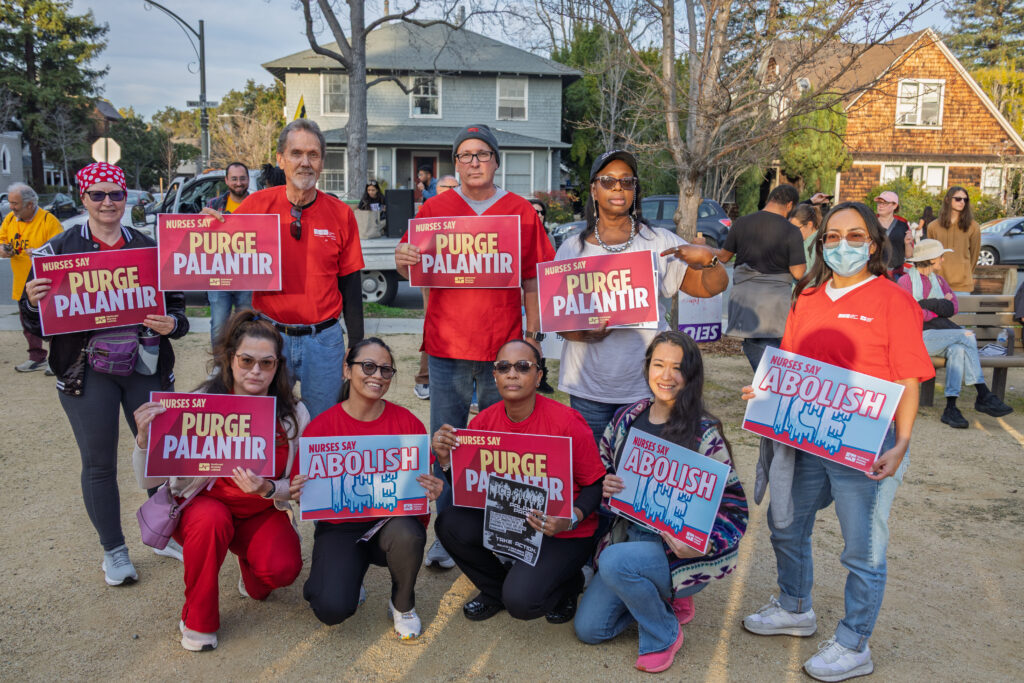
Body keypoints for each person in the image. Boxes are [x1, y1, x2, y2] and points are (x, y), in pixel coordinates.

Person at [740, 202, 934, 682]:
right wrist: (765, 392)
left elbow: (908, 378)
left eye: (854, 235)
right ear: (821, 243)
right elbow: (791, 365)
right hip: (806, 438)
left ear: (873, 244)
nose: (842, 244)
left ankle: (853, 643)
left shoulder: (892, 300)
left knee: (862, 549)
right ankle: (795, 606)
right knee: (786, 525)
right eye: (832, 236)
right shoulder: (806, 297)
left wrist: (901, 442)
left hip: (866, 444)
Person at [20, 162, 189, 586]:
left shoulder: (149, 248)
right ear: (84, 198)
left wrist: (173, 323)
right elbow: (40, 323)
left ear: (125, 198)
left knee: (160, 454)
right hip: (86, 370)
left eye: (115, 194)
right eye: (97, 195)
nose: (108, 202)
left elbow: (178, 310)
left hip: (143, 364)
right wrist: (30, 301)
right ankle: (114, 550)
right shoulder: (57, 251)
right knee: (98, 463)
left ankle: (162, 532)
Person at [394, 124, 555, 570]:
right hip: (447, 347)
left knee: (503, 446)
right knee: (446, 443)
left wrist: (534, 338)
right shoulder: (435, 209)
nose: (474, 162)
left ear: (496, 161)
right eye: (464, 155)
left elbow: (532, 280)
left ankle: (504, 531)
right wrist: (402, 260)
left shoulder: (518, 211)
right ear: (456, 164)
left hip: (503, 352)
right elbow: (414, 269)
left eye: (482, 153)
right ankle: (448, 534)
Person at [131, 311, 308, 651]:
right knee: (211, 520)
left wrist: (269, 488)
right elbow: (147, 479)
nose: (256, 371)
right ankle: (198, 621)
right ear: (230, 359)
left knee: (281, 571)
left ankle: (249, 568)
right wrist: (143, 440)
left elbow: (300, 486)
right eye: (246, 360)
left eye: (267, 363)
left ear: (278, 366)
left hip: (259, 512)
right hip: (203, 511)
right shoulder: (198, 404)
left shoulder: (293, 414)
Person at [574, 331, 748, 673]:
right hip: (629, 538)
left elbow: (735, 511)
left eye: (677, 368)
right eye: (658, 364)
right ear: (647, 367)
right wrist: (606, 483)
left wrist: (702, 544)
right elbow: (602, 469)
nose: (666, 376)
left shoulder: (704, 433)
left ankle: (663, 634)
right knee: (590, 629)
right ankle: (662, 598)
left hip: (677, 550)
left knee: (613, 562)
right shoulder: (627, 418)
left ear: (691, 374)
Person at [555, 149, 729, 449]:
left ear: (635, 189)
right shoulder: (572, 249)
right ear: (594, 190)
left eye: (627, 181)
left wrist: (709, 261)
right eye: (608, 181)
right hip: (589, 388)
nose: (618, 188)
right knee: (594, 471)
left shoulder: (659, 241)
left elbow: (708, 288)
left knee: (641, 469)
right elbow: (559, 322)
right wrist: (585, 333)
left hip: (647, 389)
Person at [431, 340, 607, 623]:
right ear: (495, 376)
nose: (512, 374)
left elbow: (596, 484)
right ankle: (496, 590)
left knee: (523, 603)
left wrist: (570, 518)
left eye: (523, 367)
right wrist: (446, 461)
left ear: (538, 377)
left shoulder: (567, 423)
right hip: (511, 523)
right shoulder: (483, 423)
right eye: (504, 367)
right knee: (450, 523)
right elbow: (471, 489)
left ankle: (568, 584)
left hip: (561, 531)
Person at [207, 119, 364, 419]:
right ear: (280, 159)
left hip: (324, 340)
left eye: (313, 154)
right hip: (270, 336)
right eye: (296, 153)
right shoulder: (256, 206)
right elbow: (220, 253)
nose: (305, 162)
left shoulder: (341, 214)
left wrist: (356, 344)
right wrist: (204, 229)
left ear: (322, 162)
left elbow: (350, 282)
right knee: (265, 422)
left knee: (321, 426)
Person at [298, 338, 443, 640]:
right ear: (347, 370)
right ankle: (343, 574)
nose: (377, 375)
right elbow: (306, 495)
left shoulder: (407, 424)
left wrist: (429, 490)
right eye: (368, 366)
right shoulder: (321, 428)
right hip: (340, 528)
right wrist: (300, 491)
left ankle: (402, 603)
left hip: (389, 524)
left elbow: (419, 490)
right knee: (331, 608)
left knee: (408, 534)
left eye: (385, 370)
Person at [896, 239, 1012, 428]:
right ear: (931, 259)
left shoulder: (939, 281)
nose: (943, 260)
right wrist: (939, 305)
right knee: (967, 336)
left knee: (958, 349)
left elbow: (953, 307)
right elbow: (912, 314)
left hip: (939, 336)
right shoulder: (905, 282)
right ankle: (983, 393)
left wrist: (928, 304)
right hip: (915, 339)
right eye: (940, 256)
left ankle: (951, 408)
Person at [718, 184, 807, 371]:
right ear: (789, 205)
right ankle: (769, 384)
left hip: (745, 299)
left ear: (770, 199)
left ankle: (765, 381)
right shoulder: (791, 231)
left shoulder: (741, 222)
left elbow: (723, 257)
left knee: (755, 347)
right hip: (775, 303)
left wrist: (702, 247)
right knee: (774, 355)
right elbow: (798, 273)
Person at [0, 182, 62, 373]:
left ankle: (57, 360)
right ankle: (36, 357)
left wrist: (39, 253)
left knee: (52, 323)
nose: (11, 207)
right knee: (27, 324)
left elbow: (61, 251)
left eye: (15, 203)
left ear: (29, 204)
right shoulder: (10, 219)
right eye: (10, 202)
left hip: (46, 284)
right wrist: (4, 250)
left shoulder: (48, 221)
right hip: (22, 283)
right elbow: (2, 241)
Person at [413, 177, 457, 402]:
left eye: (455, 187)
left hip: (461, 279)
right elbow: (414, 242)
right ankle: (424, 379)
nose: (451, 191)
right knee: (433, 326)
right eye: (446, 187)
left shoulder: (466, 211)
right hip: (434, 279)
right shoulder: (429, 209)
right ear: (437, 190)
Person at [205, 162, 254, 347]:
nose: (238, 183)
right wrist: (200, 220)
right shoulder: (213, 205)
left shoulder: (258, 203)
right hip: (219, 274)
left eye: (242, 178)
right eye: (234, 179)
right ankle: (220, 362)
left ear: (248, 180)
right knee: (219, 325)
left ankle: (245, 360)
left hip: (249, 275)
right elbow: (200, 236)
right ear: (226, 180)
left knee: (247, 325)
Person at [927, 187, 979, 295]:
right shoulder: (933, 226)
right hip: (937, 284)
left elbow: (975, 254)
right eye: (958, 199)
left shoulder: (973, 226)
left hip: (963, 286)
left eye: (965, 199)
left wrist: (966, 274)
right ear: (947, 199)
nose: (962, 202)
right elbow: (930, 256)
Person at [873, 190, 913, 278]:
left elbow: (909, 255)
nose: (880, 206)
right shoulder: (870, 223)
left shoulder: (903, 225)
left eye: (885, 203)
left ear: (894, 205)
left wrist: (907, 244)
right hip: (873, 274)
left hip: (895, 275)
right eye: (879, 203)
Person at [789, 202, 820, 271]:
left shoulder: (818, 245)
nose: (792, 232)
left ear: (809, 224)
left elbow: (810, 274)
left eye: (796, 228)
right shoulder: (805, 241)